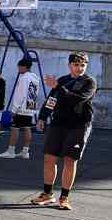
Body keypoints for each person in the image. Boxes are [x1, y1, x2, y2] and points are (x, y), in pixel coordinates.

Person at [31, 52, 96, 211]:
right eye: (76, 64)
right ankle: (47, 194)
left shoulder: (89, 82)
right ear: (69, 65)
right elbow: (52, 100)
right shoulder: (63, 80)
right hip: (58, 123)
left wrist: (59, 87)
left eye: (83, 65)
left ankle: (64, 197)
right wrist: (42, 117)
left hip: (79, 125)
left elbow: (78, 99)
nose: (79, 68)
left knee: (69, 160)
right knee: (49, 158)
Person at [0, 58, 40, 159]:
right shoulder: (35, 78)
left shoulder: (24, 78)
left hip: (21, 108)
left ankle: (11, 151)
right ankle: (25, 151)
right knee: (27, 128)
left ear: (23, 66)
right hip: (30, 106)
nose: (18, 69)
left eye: (19, 67)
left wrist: (14, 109)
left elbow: (20, 95)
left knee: (14, 128)